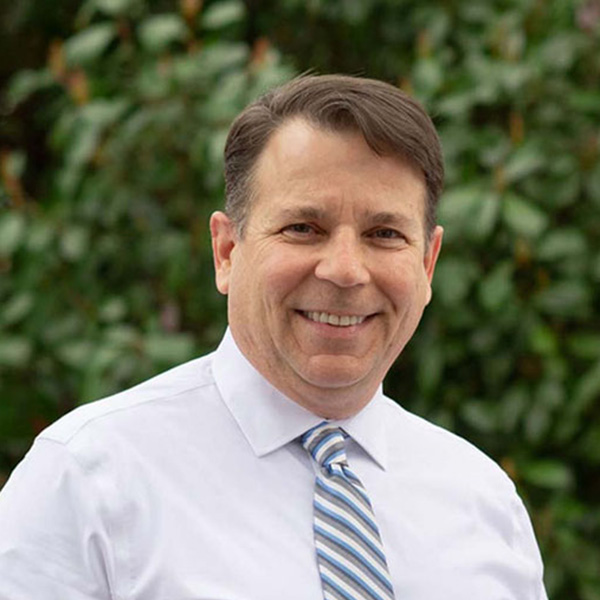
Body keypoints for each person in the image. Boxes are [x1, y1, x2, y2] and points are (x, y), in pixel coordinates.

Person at [0, 75, 547, 599]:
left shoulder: (484, 503)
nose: (345, 270)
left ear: (427, 264)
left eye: (384, 234)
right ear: (226, 251)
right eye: (303, 228)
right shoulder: (87, 483)